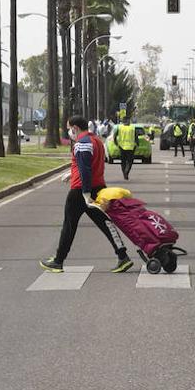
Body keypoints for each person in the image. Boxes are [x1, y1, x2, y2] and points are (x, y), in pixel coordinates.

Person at [40, 115, 133, 274]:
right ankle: (123, 255)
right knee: (105, 223)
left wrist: (85, 193)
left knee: (69, 225)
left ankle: (58, 261)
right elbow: (89, 164)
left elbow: (85, 169)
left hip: (80, 191)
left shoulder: (82, 143)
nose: (69, 131)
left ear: (75, 128)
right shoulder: (96, 140)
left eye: (69, 128)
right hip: (98, 188)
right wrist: (72, 173)